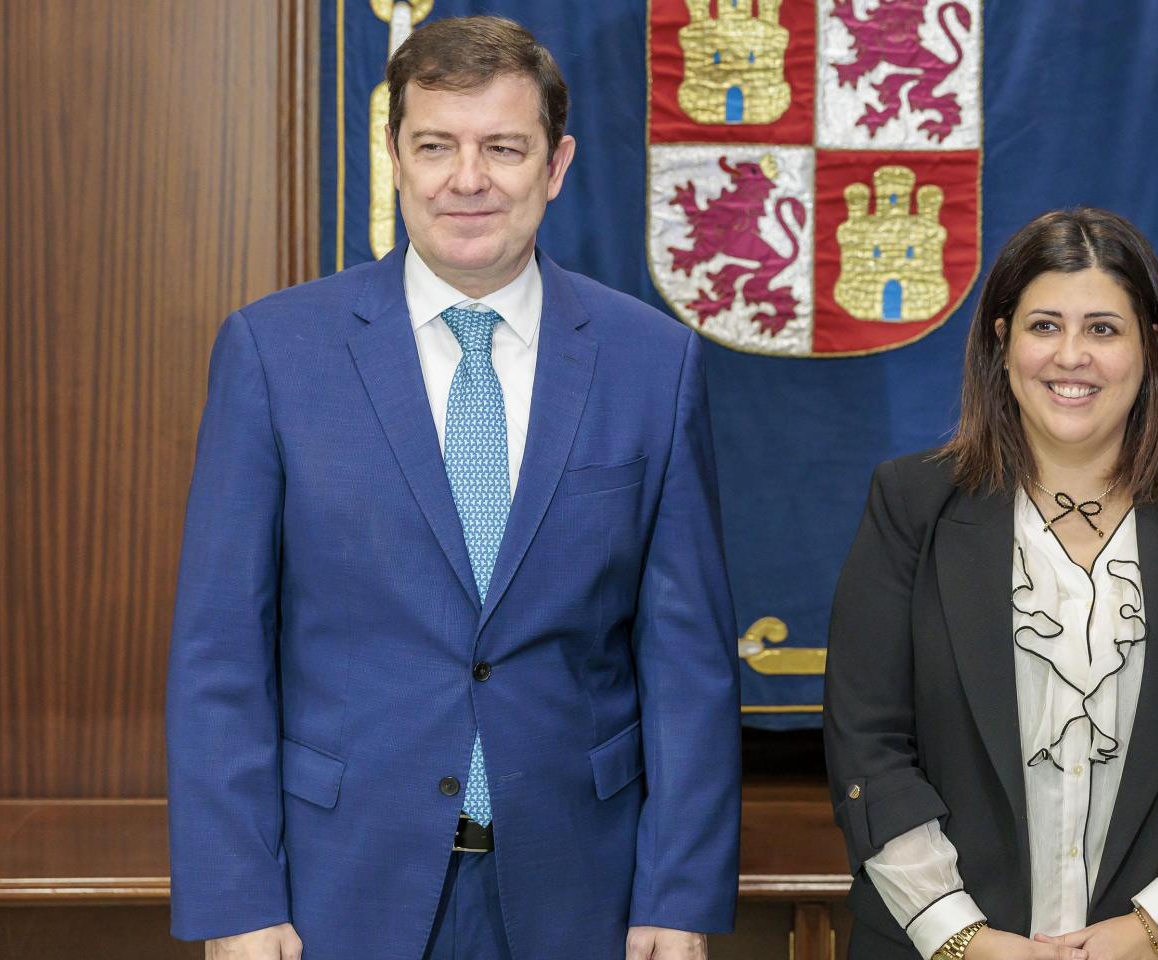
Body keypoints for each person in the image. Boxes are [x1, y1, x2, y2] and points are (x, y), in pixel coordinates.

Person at [165, 16, 740, 960]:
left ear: (555, 167)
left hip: (582, 893)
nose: (466, 179)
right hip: (334, 892)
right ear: (396, 157)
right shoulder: (275, 353)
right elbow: (219, 655)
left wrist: (677, 895)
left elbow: (686, 664)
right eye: (435, 145)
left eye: (502, 148)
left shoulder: (653, 362)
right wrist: (235, 900)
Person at [824, 209, 1158, 960]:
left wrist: (1156, 932)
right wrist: (963, 938)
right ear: (1002, 340)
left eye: (1104, 330)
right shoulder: (909, 505)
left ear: (1152, 343)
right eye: (1044, 326)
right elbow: (867, 741)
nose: (1071, 357)